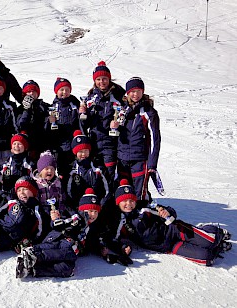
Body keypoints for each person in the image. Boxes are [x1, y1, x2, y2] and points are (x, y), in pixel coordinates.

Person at [103, 179, 232, 266]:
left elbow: (170, 211)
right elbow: (114, 239)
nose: (128, 204)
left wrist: (166, 212)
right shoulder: (119, 221)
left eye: (131, 200)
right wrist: (123, 248)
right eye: (124, 201)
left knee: (210, 239)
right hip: (168, 246)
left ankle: (216, 232)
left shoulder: (144, 208)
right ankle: (219, 247)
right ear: (118, 202)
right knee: (206, 259)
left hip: (175, 230)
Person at [15, 188, 132, 278]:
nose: (92, 214)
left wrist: (104, 252)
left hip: (71, 252)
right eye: (89, 211)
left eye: (95, 211)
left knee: (68, 269)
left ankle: (32, 269)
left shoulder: (95, 228)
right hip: (59, 240)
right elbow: (60, 223)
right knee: (69, 248)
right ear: (82, 210)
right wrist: (57, 221)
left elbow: (96, 242)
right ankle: (34, 253)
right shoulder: (77, 219)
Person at [110, 77, 161, 207]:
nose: (135, 94)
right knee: (124, 190)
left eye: (138, 91)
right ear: (127, 93)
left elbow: (156, 139)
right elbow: (116, 135)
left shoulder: (149, 112)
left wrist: (152, 163)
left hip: (140, 158)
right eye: (132, 91)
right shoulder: (122, 110)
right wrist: (114, 127)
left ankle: (140, 216)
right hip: (122, 158)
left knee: (139, 192)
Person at [79, 61, 126, 192]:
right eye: (98, 79)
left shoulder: (118, 95)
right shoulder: (90, 97)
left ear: (109, 79)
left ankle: (109, 200)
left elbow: (124, 116)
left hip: (111, 143)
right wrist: (83, 115)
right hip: (94, 143)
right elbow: (85, 123)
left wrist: (118, 124)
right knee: (95, 174)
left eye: (104, 79)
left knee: (109, 174)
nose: (102, 82)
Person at [44, 77, 80, 178]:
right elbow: (47, 128)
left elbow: (79, 122)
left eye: (67, 90)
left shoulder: (74, 105)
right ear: (56, 91)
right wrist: (50, 121)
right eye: (61, 90)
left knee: (74, 170)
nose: (64, 92)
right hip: (59, 145)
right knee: (62, 171)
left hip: (72, 142)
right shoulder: (53, 106)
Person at [66, 130, 109, 211]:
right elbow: (69, 192)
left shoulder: (97, 167)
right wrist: (76, 206)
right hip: (80, 207)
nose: (83, 154)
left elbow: (106, 188)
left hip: (96, 206)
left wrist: (101, 203)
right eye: (80, 151)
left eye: (86, 151)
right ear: (75, 152)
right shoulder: (72, 170)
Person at [17, 80, 50, 160]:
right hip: (26, 144)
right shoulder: (20, 109)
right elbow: (20, 125)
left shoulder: (44, 107)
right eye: (28, 92)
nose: (31, 94)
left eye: (33, 91)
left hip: (42, 142)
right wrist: (27, 110)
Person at [33, 151, 68, 217]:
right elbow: (35, 201)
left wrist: (61, 211)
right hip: (43, 213)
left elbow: (62, 198)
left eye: (52, 169)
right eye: (47, 169)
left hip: (56, 212)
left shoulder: (58, 183)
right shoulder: (37, 184)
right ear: (40, 171)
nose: (50, 171)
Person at [1, 132, 35, 198]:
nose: (16, 146)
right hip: (8, 192)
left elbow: (33, 177)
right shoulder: (7, 161)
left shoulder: (28, 162)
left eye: (19, 144)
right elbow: (1, 175)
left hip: (23, 193)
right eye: (14, 144)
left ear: (25, 147)